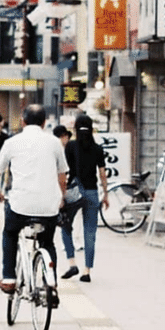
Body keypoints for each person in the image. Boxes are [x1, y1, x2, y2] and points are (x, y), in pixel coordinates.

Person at [0, 104, 68, 302]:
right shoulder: (54, 143)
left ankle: (8, 278)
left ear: (23, 121)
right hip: (48, 206)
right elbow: (62, 177)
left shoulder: (11, 142)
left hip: (20, 205)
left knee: (10, 233)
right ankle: (52, 285)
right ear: (44, 123)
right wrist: (61, 198)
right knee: (47, 241)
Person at [59, 115, 109, 283]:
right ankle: (87, 271)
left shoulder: (70, 146)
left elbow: (64, 173)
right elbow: (102, 173)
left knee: (66, 226)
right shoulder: (97, 148)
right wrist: (106, 194)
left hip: (73, 191)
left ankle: (72, 262)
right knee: (90, 232)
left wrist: (61, 194)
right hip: (91, 191)